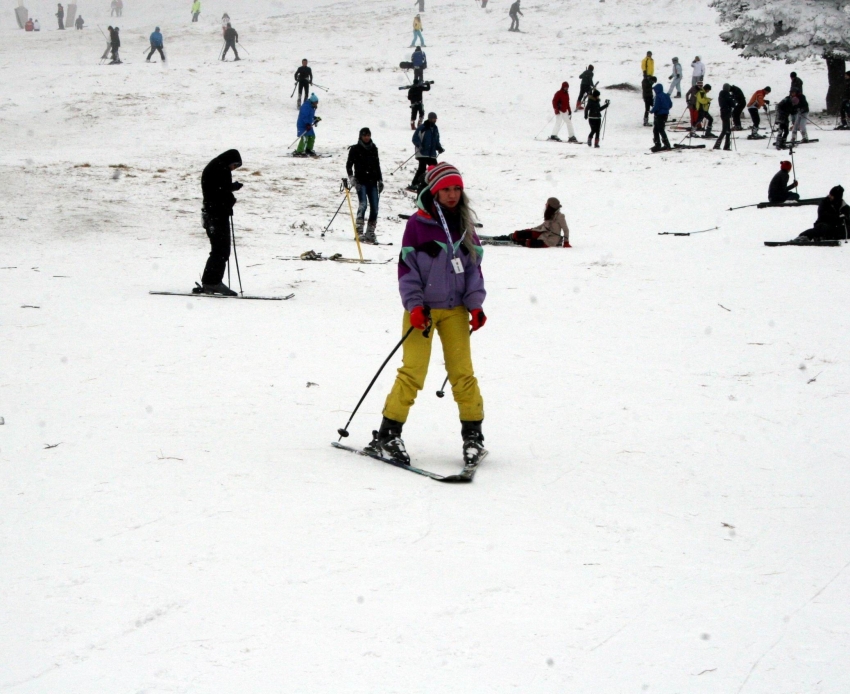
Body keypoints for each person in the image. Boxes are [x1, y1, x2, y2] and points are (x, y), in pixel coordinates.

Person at [366, 162, 487, 468]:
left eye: (457, 188)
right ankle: (388, 434)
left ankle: (473, 437)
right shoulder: (417, 225)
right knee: (413, 372)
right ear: (433, 190)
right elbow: (407, 271)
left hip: (456, 310)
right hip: (422, 312)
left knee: (463, 373)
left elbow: (473, 269)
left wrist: (476, 304)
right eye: (446, 189)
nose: (452, 194)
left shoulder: (464, 225)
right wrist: (415, 305)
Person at [199, 149, 243, 296]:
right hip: (216, 214)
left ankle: (211, 282)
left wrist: (231, 188)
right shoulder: (220, 169)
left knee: (220, 249)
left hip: (214, 213)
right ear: (230, 161)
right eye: (235, 165)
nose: (234, 168)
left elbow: (218, 187)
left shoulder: (217, 166)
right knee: (221, 249)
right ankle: (212, 283)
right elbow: (218, 192)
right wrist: (230, 200)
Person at [346, 127, 384, 244]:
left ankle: (370, 232)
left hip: (372, 182)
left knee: (375, 207)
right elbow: (349, 165)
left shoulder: (374, 149)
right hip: (361, 182)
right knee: (363, 205)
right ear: (361, 136)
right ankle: (359, 231)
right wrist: (351, 177)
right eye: (364, 135)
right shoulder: (355, 149)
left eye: (368, 135)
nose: (367, 137)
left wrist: (380, 180)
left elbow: (377, 165)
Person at [494, 197, 571, 248]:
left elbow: (566, 230)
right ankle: (507, 237)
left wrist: (566, 242)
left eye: (547, 204)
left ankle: (517, 242)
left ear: (550, 206)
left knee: (531, 243)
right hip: (543, 233)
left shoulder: (560, 216)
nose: (545, 205)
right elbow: (544, 225)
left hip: (551, 240)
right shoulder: (550, 214)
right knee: (523, 233)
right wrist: (533, 229)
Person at [408, 112, 442, 191]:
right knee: (422, 168)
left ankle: (433, 184)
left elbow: (436, 140)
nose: (434, 120)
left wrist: (439, 147)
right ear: (429, 118)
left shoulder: (435, 128)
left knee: (434, 168)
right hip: (422, 152)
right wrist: (419, 145)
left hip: (431, 153)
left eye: (435, 119)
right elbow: (415, 138)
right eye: (433, 119)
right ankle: (415, 184)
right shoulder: (422, 128)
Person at [650, 83, 672, 151]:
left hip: (659, 115)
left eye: (655, 90)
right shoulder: (666, 96)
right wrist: (666, 109)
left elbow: (656, 106)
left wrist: (651, 111)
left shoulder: (658, 96)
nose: (654, 91)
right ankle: (661, 144)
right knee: (659, 129)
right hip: (665, 115)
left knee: (658, 130)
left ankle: (663, 144)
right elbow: (670, 104)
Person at [713, 83, 733, 150]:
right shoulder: (727, 94)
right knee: (725, 130)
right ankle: (720, 145)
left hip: (723, 112)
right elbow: (732, 103)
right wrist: (733, 101)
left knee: (727, 130)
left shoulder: (721, 95)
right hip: (726, 112)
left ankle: (725, 145)